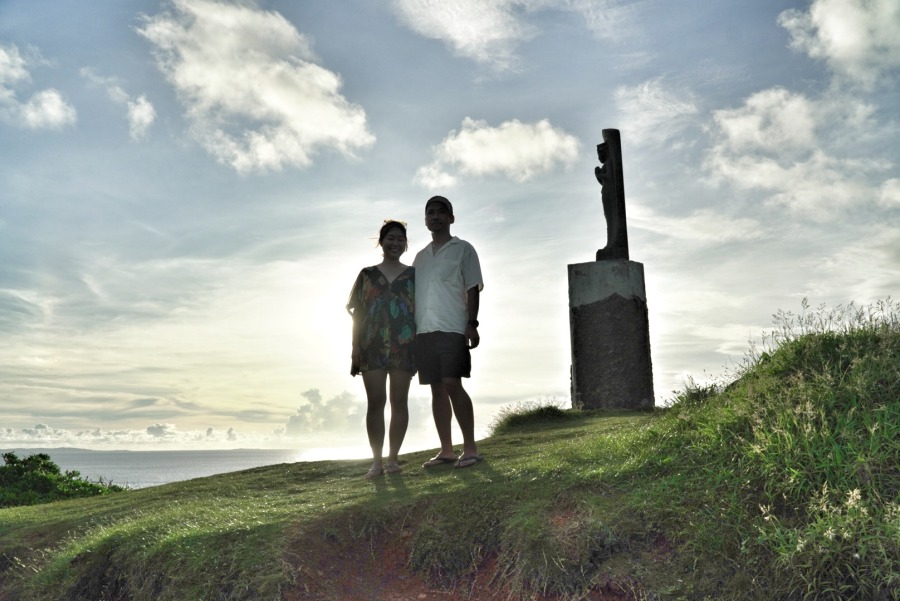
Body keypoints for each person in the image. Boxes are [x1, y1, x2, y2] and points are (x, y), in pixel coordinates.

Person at [413, 196, 484, 469]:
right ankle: (446, 451)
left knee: (453, 383)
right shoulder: (420, 257)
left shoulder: (463, 249)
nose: (435, 217)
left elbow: (472, 287)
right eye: (430, 212)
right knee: (436, 389)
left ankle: (470, 449)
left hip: (454, 326)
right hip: (424, 330)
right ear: (426, 219)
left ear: (451, 218)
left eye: (441, 212)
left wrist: (472, 323)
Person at [347, 220, 416, 479]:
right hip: (371, 344)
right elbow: (357, 313)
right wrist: (355, 347)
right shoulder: (367, 274)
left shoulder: (414, 276)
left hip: (405, 344)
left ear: (405, 244)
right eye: (390, 238)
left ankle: (393, 460)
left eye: (400, 239)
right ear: (381, 241)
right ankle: (376, 462)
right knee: (376, 403)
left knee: (400, 403)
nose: (395, 243)